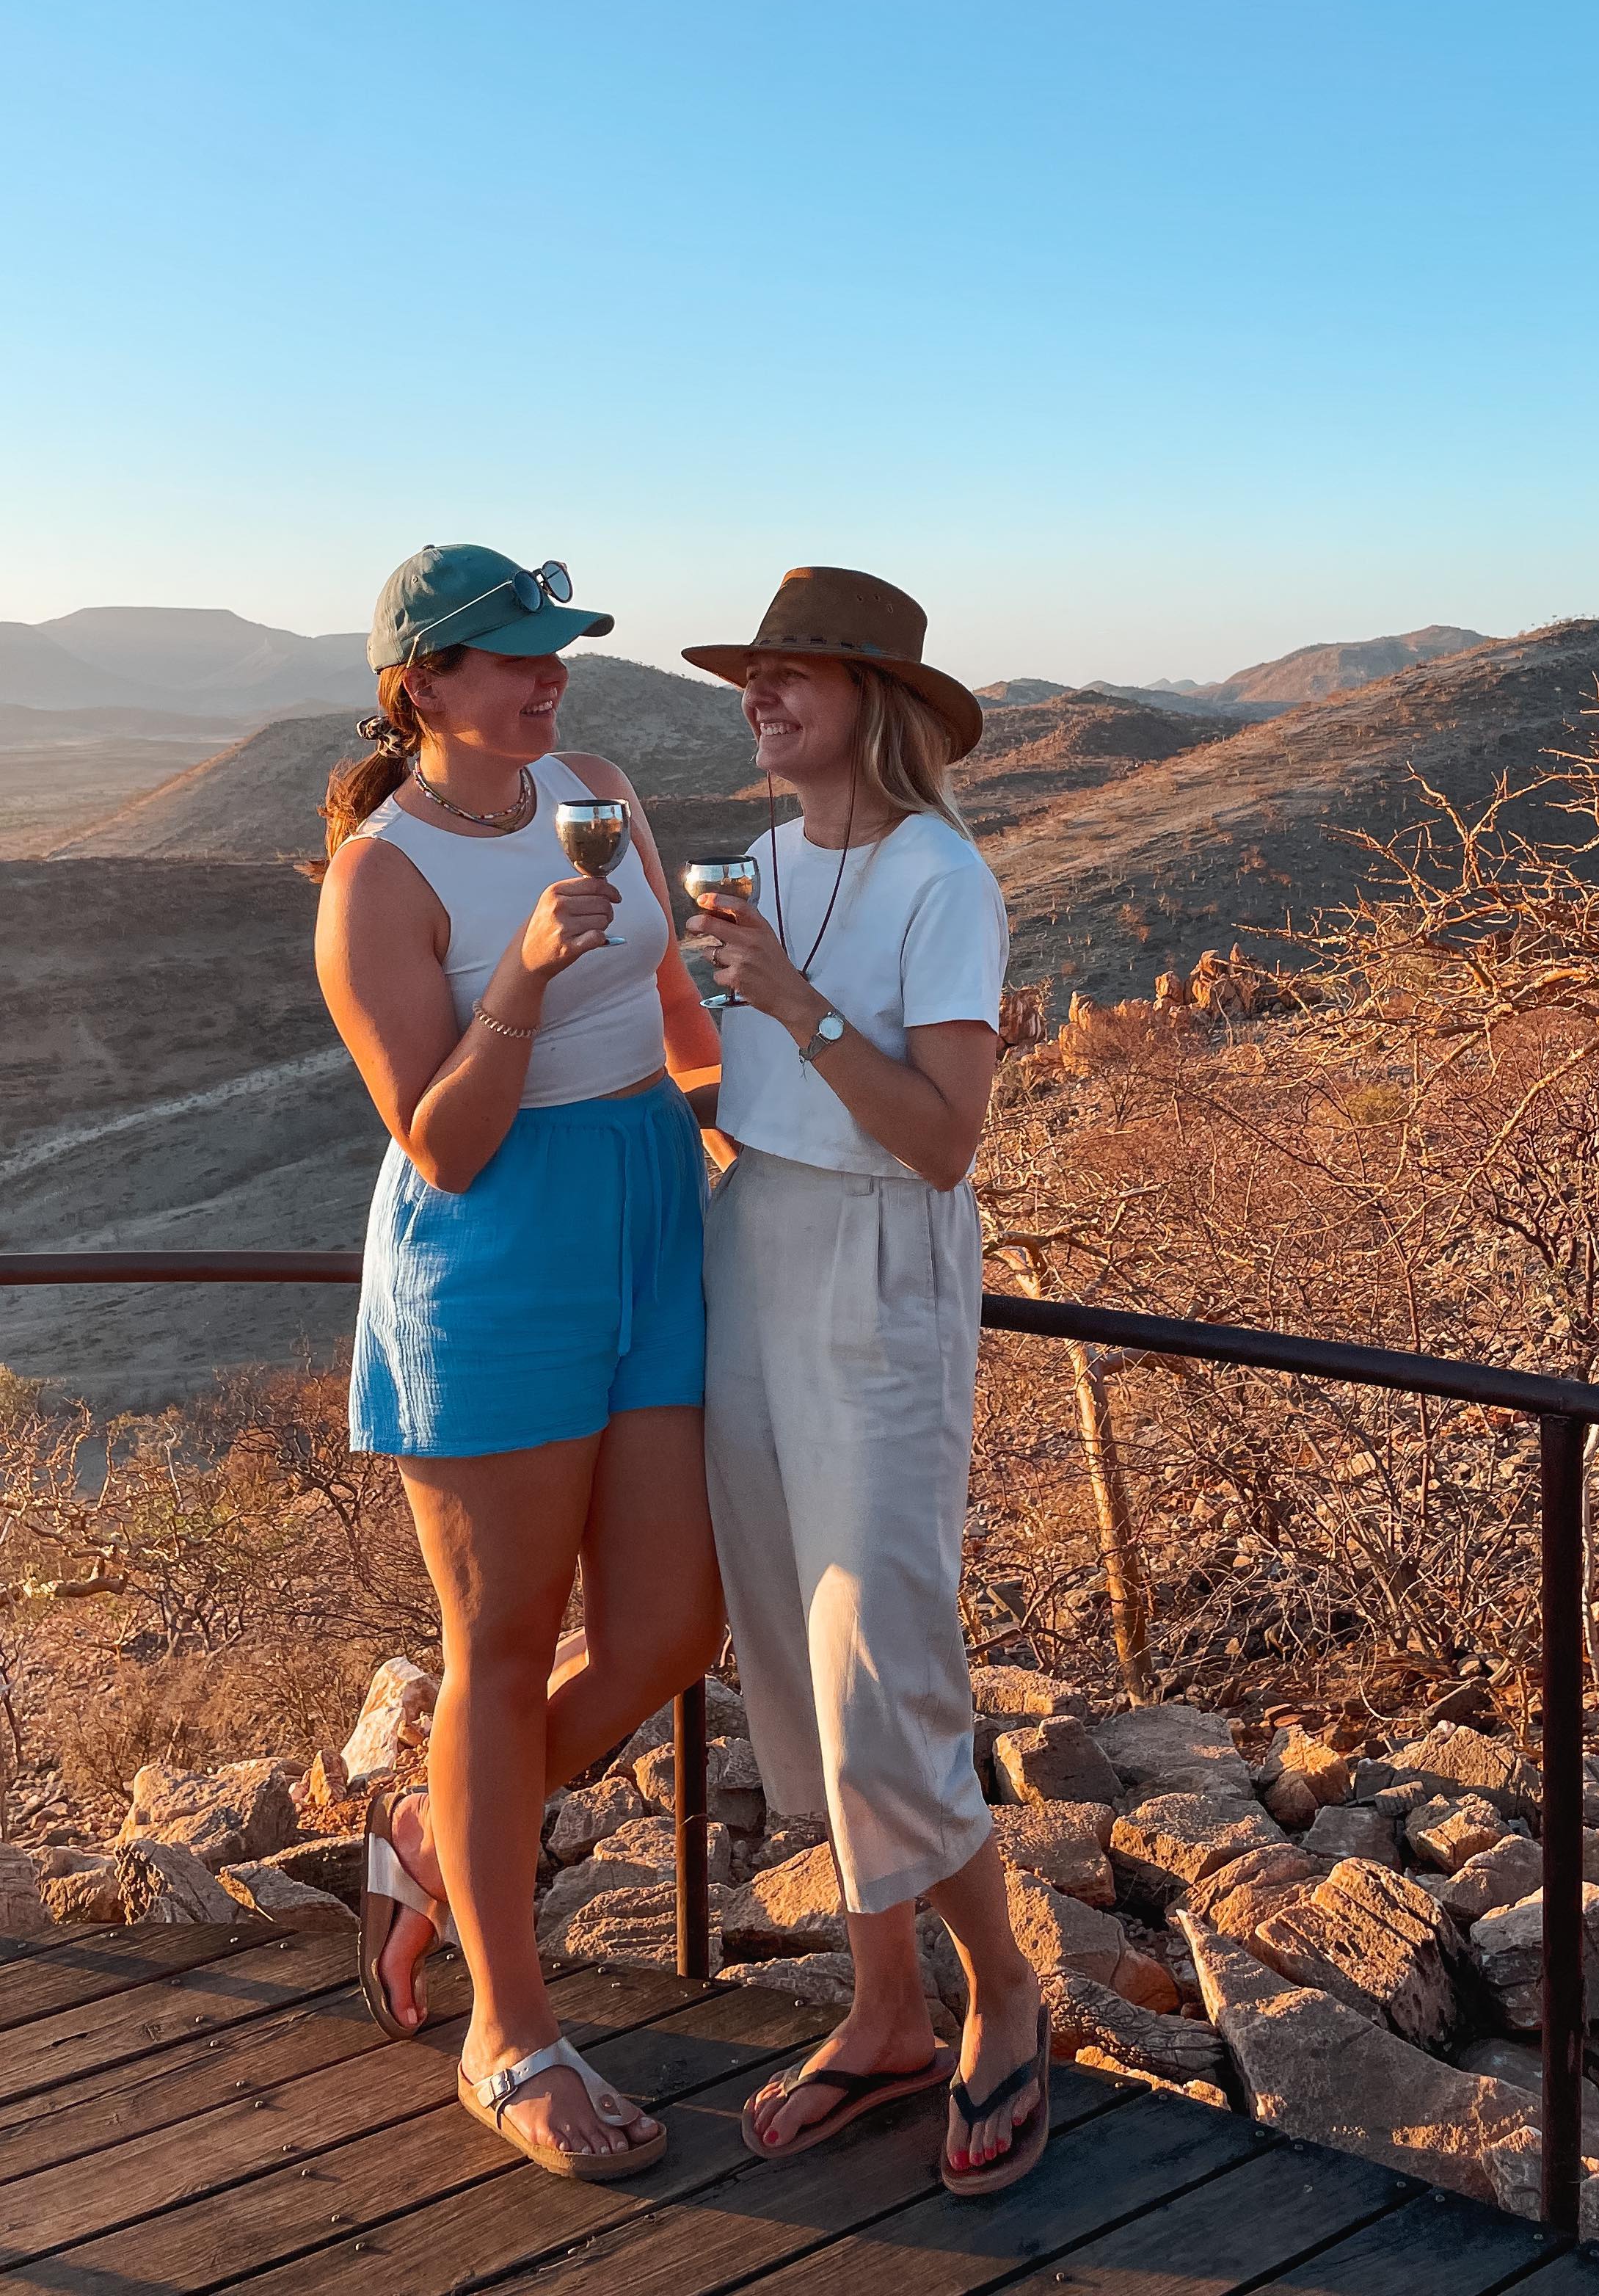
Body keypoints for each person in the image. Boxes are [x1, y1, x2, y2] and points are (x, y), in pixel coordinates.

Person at [314, 542, 724, 2181]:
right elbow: (443, 1140)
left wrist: (764, 1112)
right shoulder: (380, 880)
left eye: (558, 651)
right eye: (514, 656)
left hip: (653, 1205)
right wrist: (530, 981)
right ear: (424, 684)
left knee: (673, 1628)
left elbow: (675, 997)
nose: (551, 677)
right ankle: (511, 2032)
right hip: (495, 1251)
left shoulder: (597, 785)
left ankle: (432, 1830)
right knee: (496, 1650)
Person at [681, 566, 1049, 2198]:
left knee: (876, 1662)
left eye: (794, 675)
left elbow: (944, 1141)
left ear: (875, 703)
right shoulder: (762, 865)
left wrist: (792, 1002)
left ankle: (1007, 1991)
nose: (760, 697)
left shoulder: (942, 878)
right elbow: (742, 1078)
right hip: (752, 1234)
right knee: (786, 1641)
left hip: (881, 1259)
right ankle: (886, 2010)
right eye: (751, 677)